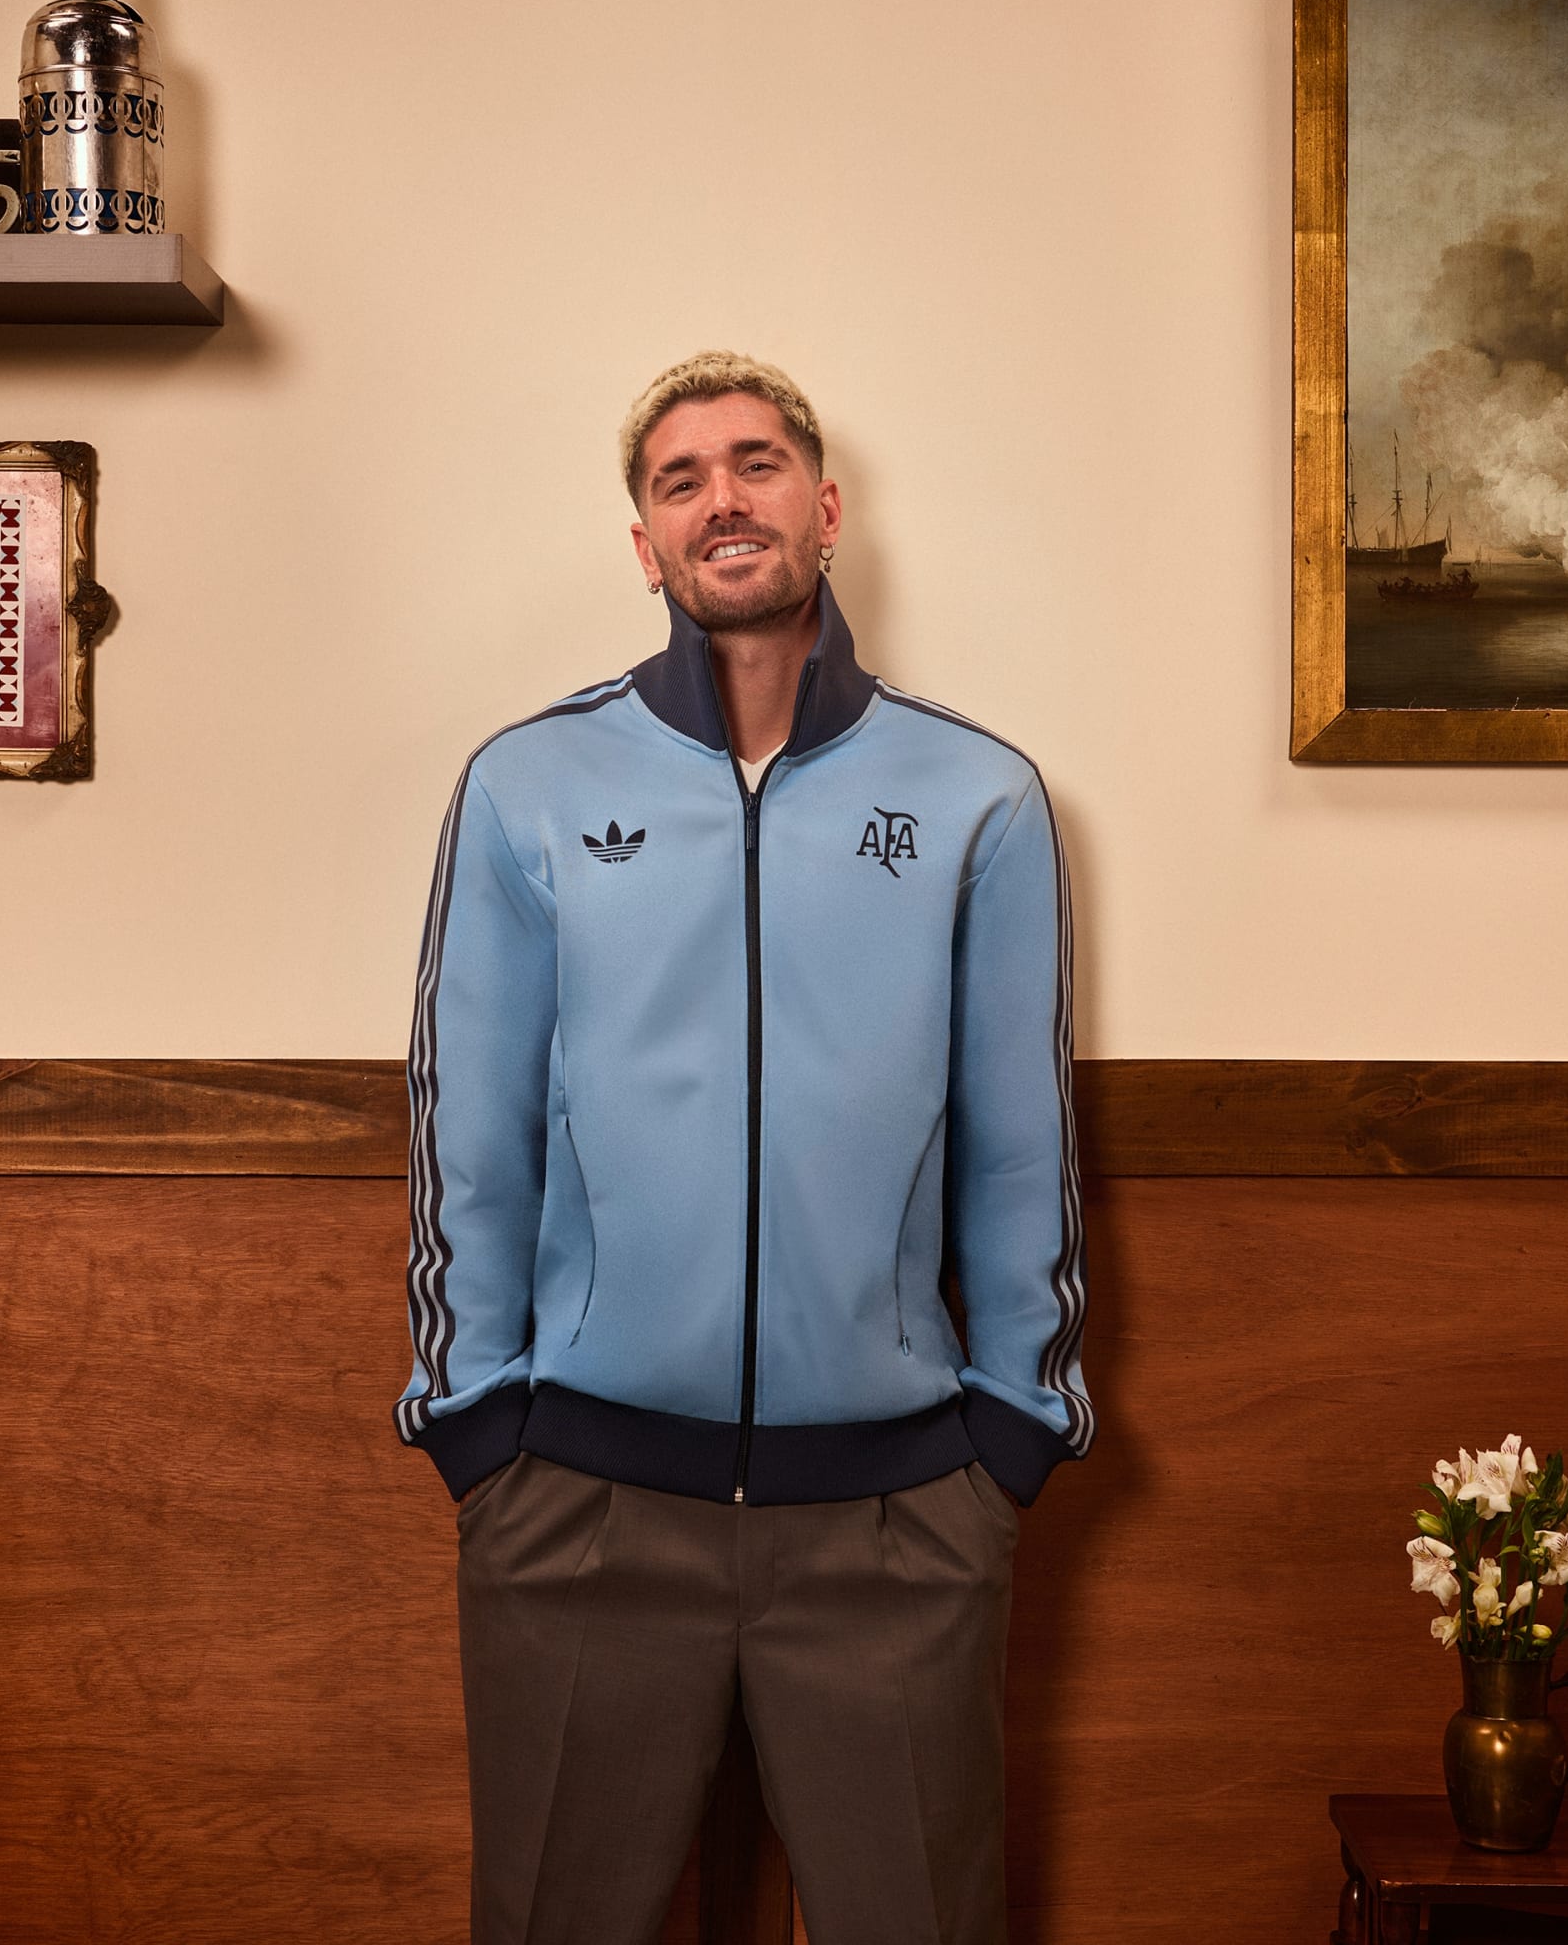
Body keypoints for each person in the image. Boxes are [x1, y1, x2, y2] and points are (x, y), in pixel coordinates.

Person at [396, 351, 1092, 1944]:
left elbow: (1021, 1148)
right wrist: (476, 1426)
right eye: (681, 478)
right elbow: (467, 1136)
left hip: (895, 1516)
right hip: (580, 1503)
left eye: (757, 463)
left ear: (825, 511)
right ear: (645, 544)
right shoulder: (528, 785)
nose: (723, 497)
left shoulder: (978, 795)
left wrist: (1014, 1436)